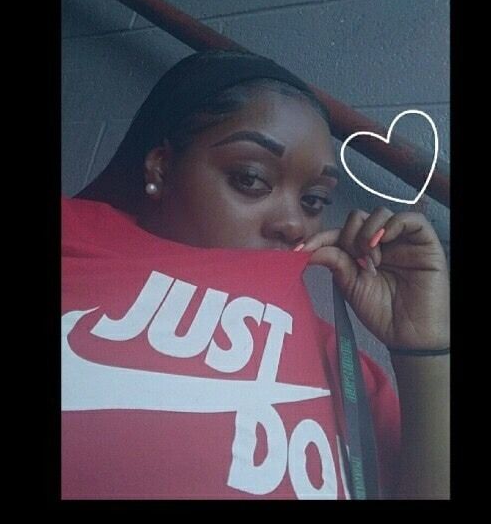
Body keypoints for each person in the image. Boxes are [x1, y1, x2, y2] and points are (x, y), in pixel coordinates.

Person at [62, 49, 450, 500]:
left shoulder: (344, 366)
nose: (294, 224)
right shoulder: (75, 238)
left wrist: (423, 348)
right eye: (250, 178)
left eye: (314, 201)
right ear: (161, 166)